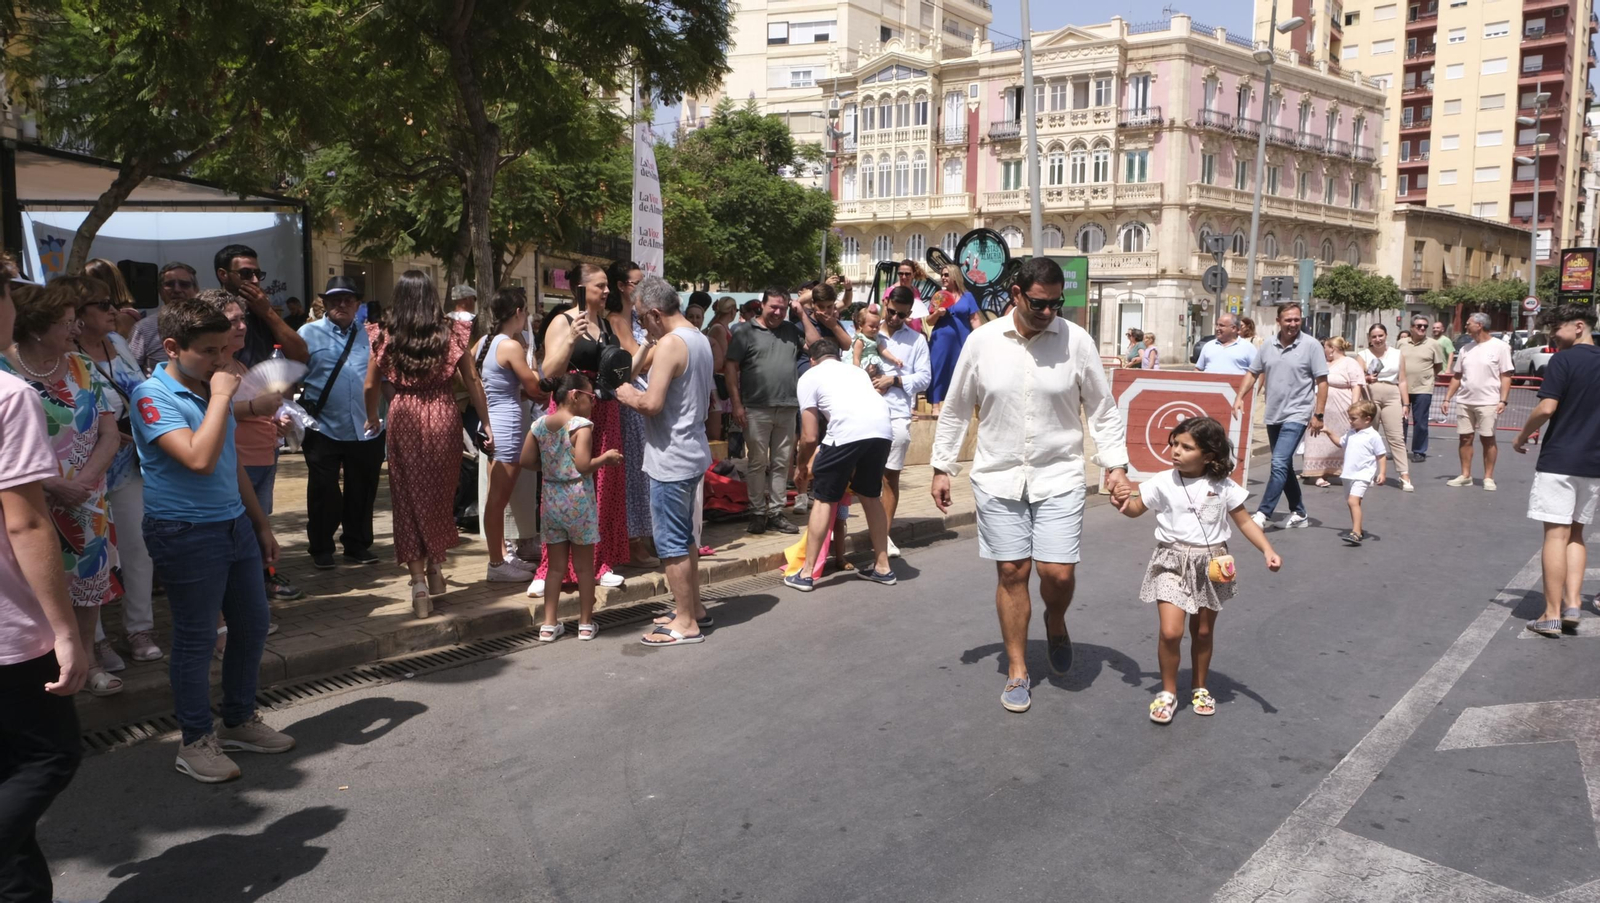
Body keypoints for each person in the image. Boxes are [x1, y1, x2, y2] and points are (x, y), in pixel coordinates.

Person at [931, 257, 1131, 714]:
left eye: (1056, 303)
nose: (1049, 312)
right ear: (1016, 295)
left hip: (1058, 472)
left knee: (1056, 573)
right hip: (998, 474)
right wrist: (942, 466)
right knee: (1011, 572)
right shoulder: (982, 342)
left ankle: (1055, 620)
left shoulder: (1075, 341)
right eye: (1040, 303)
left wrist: (1115, 464)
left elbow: (1102, 407)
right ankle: (1018, 669)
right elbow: (959, 408)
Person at [133, 296, 295, 782]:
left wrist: (261, 524)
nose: (222, 362)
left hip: (233, 525)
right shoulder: (152, 395)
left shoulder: (209, 388)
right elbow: (198, 459)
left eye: (225, 350)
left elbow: (228, 462)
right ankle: (195, 740)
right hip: (183, 531)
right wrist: (224, 396)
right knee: (197, 638)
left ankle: (239, 720)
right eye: (209, 352)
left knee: (252, 625)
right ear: (172, 347)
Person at [0, 255, 89, 898]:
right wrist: (64, 628)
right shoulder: (10, 397)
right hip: (11, 630)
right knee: (50, 754)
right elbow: (26, 525)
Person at [2, 277, 124, 697]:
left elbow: (111, 433)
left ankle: (86, 663)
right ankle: (41, 667)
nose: (75, 330)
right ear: (37, 325)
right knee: (36, 586)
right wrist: (50, 484)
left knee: (87, 588)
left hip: (87, 500)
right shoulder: (2, 371)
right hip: (28, 503)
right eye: (67, 322)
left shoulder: (82, 366)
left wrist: (85, 481)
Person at [1113, 417, 1279, 724]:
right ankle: (1167, 691)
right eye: (1174, 444)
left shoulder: (1223, 486)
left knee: (1202, 631)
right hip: (1171, 561)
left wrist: (1267, 550)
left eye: (1186, 447)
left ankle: (1200, 687)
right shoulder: (1162, 481)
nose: (1176, 451)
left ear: (1208, 455)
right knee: (1170, 631)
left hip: (1212, 562)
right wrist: (1122, 502)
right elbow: (1136, 508)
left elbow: (1243, 521)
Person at [363, 270, 492, 617]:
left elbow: (369, 386)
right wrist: (486, 422)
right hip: (443, 415)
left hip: (404, 416)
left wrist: (373, 416)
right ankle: (434, 565)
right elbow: (473, 380)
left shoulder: (385, 336)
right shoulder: (451, 333)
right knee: (437, 496)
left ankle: (420, 582)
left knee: (408, 499)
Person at [616, 276, 715, 646]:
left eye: (642, 318)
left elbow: (651, 403)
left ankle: (685, 623)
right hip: (691, 452)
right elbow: (643, 368)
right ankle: (694, 609)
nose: (642, 324)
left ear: (656, 313)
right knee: (685, 538)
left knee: (672, 544)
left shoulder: (673, 344)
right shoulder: (696, 338)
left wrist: (627, 395)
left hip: (671, 458)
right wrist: (646, 344)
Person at [74, 273, 163, 666]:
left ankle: (139, 628)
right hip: (84, 470)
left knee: (137, 547)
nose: (114, 311)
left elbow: (139, 388)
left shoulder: (117, 343)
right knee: (90, 554)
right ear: (76, 315)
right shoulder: (64, 351)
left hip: (129, 464)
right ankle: (94, 641)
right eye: (103, 306)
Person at [527, 263, 628, 596]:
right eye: (600, 286)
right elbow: (550, 370)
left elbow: (617, 372)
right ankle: (550, 566)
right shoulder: (563, 320)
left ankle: (600, 562)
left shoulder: (607, 324)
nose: (607, 291)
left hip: (604, 408)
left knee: (602, 486)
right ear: (581, 289)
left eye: (606, 286)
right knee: (563, 486)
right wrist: (571, 338)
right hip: (571, 409)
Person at [785, 337, 898, 593]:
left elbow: (810, 436)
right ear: (837, 356)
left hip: (847, 432)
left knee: (825, 499)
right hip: (882, 430)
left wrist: (801, 466)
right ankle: (883, 567)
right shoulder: (856, 371)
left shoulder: (809, 377)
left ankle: (806, 573)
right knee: (870, 495)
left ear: (812, 360)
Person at [1513, 304, 1600, 637]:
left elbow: (1547, 407)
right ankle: (1573, 603)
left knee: (1556, 534)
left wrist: (1522, 435)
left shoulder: (1562, 361)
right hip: (1593, 462)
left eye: (1557, 328)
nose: (1552, 335)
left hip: (1561, 459)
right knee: (1577, 534)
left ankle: (1551, 613)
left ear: (1579, 326)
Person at [523, 373, 621, 643]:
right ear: (574, 396)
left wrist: (552, 467)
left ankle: (548, 624)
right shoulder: (581, 426)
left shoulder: (539, 425)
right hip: (578, 502)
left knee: (555, 568)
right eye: (591, 397)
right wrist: (606, 458)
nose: (594, 403)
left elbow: (526, 459)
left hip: (552, 500)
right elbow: (583, 465)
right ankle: (586, 624)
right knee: (585, 568)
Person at [298, 276, 385, 570]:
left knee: (362, 489)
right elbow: (291, 374)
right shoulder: (307, 334)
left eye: (349, 299)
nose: (342, 304)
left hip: (366, 427)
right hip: (322, 426)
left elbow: (385, 380)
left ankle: (357, 544)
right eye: (336, 299)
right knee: (323, 491)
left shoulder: (374, 337)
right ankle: (321, 547)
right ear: (325, 303)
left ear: (358, 304)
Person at [725, 288, 816, 536]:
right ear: (762, 306)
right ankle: (757, 513)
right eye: (773, 307)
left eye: (783, 308)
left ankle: (775, 513)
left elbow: (816, 345)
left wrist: (802, 315)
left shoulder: (791, 330)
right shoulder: (744, 331)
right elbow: (731, 368)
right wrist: (736, 404)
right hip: (755, 408)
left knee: (780, 463)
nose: (777, 312)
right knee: (756, 463)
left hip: (787, 408)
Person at [474, 287, 547, 582]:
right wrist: (535, 368)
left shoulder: (482, 343)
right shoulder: (510, 346)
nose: (527, 316)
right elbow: (535, 388)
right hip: (508, 427)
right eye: (525, 311)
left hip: (494, 423)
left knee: (496, 497)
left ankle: (500, 557)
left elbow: (472, 377)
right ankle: (496, 563)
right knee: (497, 499)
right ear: (517, 313)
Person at [1235, 303, 1329, 530]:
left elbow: (1322, 381)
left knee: (1277, 462)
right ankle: (1300, 512)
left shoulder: (1311, 346)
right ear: (1279, 321)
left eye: (1297, 319)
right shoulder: (1267, 345)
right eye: (1288, 320)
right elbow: (1252, 372)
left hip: (1297, 413)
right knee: (1284, 465)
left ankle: (1263, 512)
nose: (1293, 324)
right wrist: (1240, 397)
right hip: (1273, 413)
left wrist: (1318, 414)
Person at [874, 285, 931, 560]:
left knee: (889, 475)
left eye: (903, 315)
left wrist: (895, 380)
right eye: (893, 312)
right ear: (886, 305)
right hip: (865, 410)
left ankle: (882, 537)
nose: (896, 318)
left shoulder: (917, 340)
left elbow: (924, 378)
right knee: (855, 474)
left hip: (897, 412)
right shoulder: (870, 331)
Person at [606, 260, 657, 567]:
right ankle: (632, 541)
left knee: (644, 470)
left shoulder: (637, 317)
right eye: (637, 283)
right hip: (629, 398)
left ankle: (642, 537)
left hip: (646, 395)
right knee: (635, 471)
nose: (643, 286)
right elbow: (639, 360)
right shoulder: (615, 319)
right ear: (623, 287)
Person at [1441, 312, 1513, 491]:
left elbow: (1506, 376)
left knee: (1488, 439)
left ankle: (1488, 477)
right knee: (1465, 438)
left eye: (1469, 323)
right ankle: (1465, 475)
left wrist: (1503, 400)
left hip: (1489, 401)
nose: (1466, 326)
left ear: (1479, 325)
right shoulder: (1466, 348)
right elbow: (1457, 376)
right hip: (1465, 400)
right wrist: (1447, 398)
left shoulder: (1500, 347)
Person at [214, 244, 307, 367]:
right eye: (246, 273)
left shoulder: (262, 311)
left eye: (257, 274)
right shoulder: (212, 311)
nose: (255, 280)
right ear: (223, 275)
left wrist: (268, 313)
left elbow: (301, 356)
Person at [1301, 337, 1367, 486]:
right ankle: (1317, 474)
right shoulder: (1322, 364)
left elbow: (1357, 384)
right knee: (1316, 437)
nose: (1324, 350)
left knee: (1342, 439)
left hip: (1341, 408)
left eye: (1325, 347)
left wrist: (1354, 407)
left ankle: (1343, 470)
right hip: (1320, 408)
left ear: (1332, 348)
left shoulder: (1350, 363)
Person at [1355, 324, 1413, 492]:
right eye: (1374, 336)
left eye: (1380, 335)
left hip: (1392, 394)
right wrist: (1366, 378)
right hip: (1370, 395)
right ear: (1369, 338)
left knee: (1396, 436)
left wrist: (1406, 403)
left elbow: (1402, 380)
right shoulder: (1363, 355)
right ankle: (1368, 472)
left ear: (1386, 335)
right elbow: (1357, 380)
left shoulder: (1397, 354)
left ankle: (1404, 474)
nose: (1378, 339)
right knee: (1368, 435)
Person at [1324, 400, 1387, 544]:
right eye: (1350, 418)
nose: (1350, 421)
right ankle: (1358, 528)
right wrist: (1328, 432)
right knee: (1352, 502)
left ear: (1367, 419)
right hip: (1348, 474)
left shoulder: (1373, 435)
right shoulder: (1351, 433)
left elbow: (1381, 455)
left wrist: (1382, 472)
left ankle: (1356, 533)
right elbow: (1340, 442)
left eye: (1353, 418)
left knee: (1353, 501)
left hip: (1363, 474)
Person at [924, 265, 980, 415]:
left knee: (961, 370)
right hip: (940, 340)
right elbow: (929, 321)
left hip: (962, 340)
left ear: (955, 276)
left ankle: (959, 406)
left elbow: (974, 319)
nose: (943, 277)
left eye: (947, 275)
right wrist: (937, 314)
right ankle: (935, 406)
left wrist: (980, 336)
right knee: (938, 368)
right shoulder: (939, 296)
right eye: (942, 275)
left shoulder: (968, 296)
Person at [128, 262, 200, 376]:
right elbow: (130, 371)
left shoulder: (208, 323)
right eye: (170, 284)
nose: (176, 289)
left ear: (196, 289)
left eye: (184, 284)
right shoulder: (143, 328)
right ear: (160, 291)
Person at [1398, 314, 1447, 462]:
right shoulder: (1401, 343)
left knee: (1421, 422)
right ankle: (1399, 449)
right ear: (1411, 328)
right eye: (1419, 326)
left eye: (1425, 326)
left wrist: (1428, 377)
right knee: (1401, 420)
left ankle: (1419, 451)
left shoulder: (1433, 344)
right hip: (1403, 388)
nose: (1422, 328)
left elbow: (1438, 365)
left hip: (1423, 388)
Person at [704, 296, 738, 442]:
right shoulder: (719, 328)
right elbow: (725, 357)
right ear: (731, 310)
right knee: (719, 429)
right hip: (720, 383)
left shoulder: (721, 327)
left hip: (725, 381)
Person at [851, 307, 906, 376]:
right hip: (863, 367)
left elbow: (882, 350)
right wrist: (857, 373)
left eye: (877, 327)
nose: (874, 329)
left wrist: (894, 359)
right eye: (871, 326)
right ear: (861, 325)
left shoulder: (875, 338)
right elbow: (856, 358)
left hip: (873, 367)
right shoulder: (860, 340)